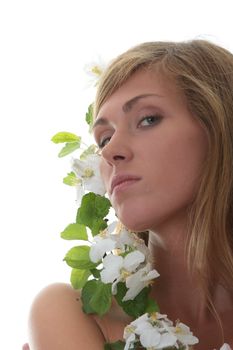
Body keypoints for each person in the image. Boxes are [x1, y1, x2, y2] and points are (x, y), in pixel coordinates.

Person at [25, 39, 233, 349]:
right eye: (104, 138)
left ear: (220, 125)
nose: (111, 152)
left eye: (148, 119)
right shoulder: (75, 314)